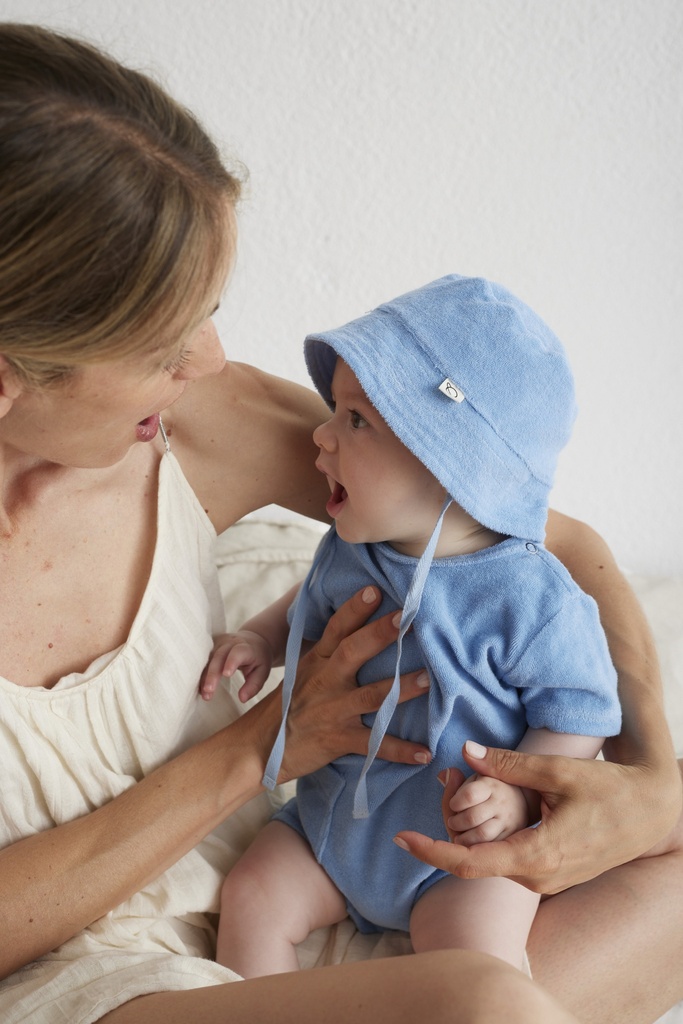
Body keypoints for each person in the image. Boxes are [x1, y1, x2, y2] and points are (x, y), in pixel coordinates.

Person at [0, 20, 680, 1024]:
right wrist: (260, 744)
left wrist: (655, 785)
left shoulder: (186, 422)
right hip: (94, 978)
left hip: (307, 882)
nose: (211, 360)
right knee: (487, 1007)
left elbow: (541, 542)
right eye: (161, 342)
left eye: (210, 307)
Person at [202, 275, 622, 975]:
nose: (321, 435)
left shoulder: (527, 596)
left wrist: (517, 793)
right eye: (334, 410)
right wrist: (258, 638)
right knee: (251, 894)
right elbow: (305, 599)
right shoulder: (352, 545)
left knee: (476, 969)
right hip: (329, 826)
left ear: (450, 464)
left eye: (356, 420)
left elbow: (581, 711)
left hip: (459, 856)